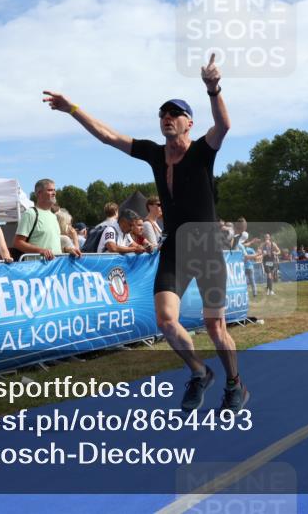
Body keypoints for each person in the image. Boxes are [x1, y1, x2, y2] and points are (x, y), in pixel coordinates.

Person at [43, 53, 249, 413]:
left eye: (175, 114)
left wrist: (213, 88)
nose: (167, 118)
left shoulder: (202, 151)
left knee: (215, 327)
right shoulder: (154, 154)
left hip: (206, 247)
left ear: (188, 122)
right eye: (162, 114)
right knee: (166, 321)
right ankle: (200, 372)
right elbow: (109, 136)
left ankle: (235, 383)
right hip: (175, 248)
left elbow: (224, 125)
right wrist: (72, 108)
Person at [14, 179, 78, 260]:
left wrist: (67, 249)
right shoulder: (30, 214)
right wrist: (40, 251)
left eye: (54, 190)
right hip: (37, 268)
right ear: (39, 193)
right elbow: (18, 243)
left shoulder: (53, 216)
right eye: (50, 190)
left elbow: (53, 243)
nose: (54, 193)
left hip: (53, 268)